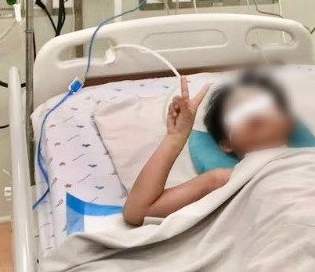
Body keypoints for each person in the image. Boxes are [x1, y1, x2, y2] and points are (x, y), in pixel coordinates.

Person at [123, 73, 296, 226]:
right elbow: (137, 212)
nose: (253, 112)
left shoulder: (312, 157)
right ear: (227, 144)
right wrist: (175, 137)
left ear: (288, 120)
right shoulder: (230, 178)